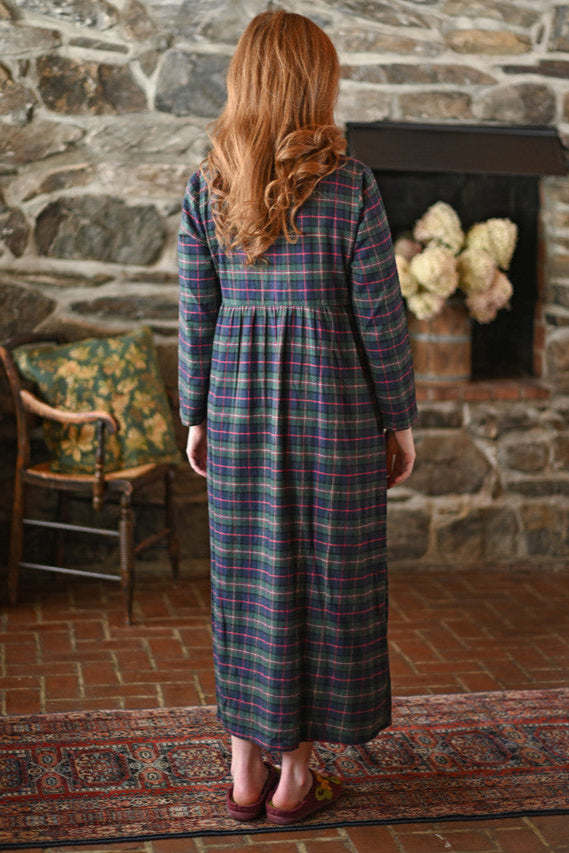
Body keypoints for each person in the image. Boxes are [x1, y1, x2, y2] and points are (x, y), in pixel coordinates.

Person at [178, 10, 417, 826]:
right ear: (315, 81)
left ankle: (246, 771)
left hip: (237, 406)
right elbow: (379, 316)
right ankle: (295, 779)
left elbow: (194, 311)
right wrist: (401, 419)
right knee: (325, 576)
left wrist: (195, 413)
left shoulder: (207, 181)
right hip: (334, 412)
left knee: (249, 578)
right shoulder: (348, 184)